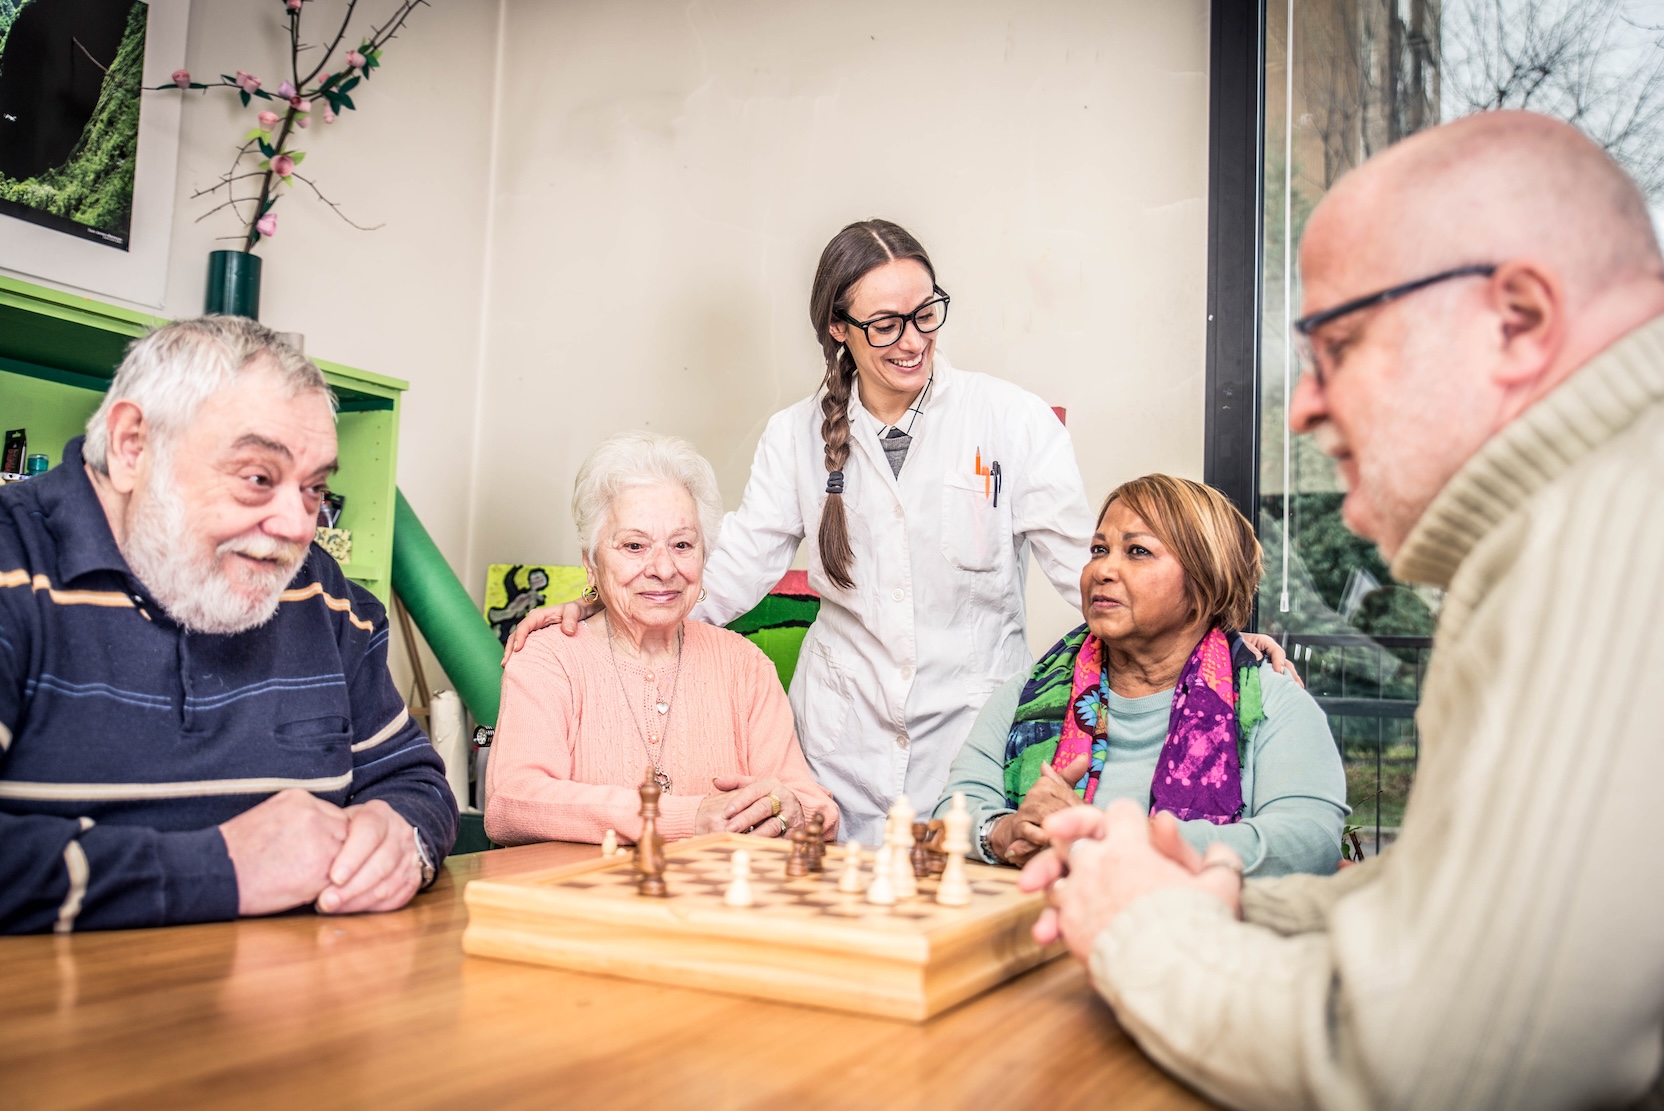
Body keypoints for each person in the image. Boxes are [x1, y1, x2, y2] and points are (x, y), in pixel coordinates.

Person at [1018, 110, 1664, 1109]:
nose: (1302, 408)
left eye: (1340, 345)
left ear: (1517, 320)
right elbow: (1455, 907)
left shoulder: (1610, 523)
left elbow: (1457, 1062)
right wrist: (1214, 900)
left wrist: (1142, 929)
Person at [508, 219, 1290, 845]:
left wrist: (1209, 637)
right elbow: (729, 571)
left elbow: (1085, 568)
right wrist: (602, 611)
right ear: (837, 328)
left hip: (970, 741)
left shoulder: (1011, 419)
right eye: (884, 324)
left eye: (925, 313)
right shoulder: (794, 436)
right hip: (839, 748)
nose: (912, 340)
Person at [0, 317, 457, 935]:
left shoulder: (322, 594)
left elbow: (412, 778)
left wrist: (401, 836)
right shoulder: (12, 567)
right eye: (258, 478)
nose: (298, 527)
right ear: (133, 447)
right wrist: (222, 867)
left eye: (314, 489)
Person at [936, 474, 1344, 877]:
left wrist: (1123, 839)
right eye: (1099, 549)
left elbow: (1309, 842)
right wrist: (1004, 831)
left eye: (1137, 551)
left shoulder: (1274, 706)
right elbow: (954, 808)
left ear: (1206, 581)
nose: (1103, 569)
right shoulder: (1027, 695)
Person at [484, 432, 838, 846]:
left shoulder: (744, 664)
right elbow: (511, 803)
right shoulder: (549, 658)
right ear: (591, 563)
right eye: (634, 546)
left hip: (715, 889)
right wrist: (686, 818)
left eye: (682, 544)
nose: (664, 568)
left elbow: (813, 807)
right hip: (582, 888)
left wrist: (792, 811)